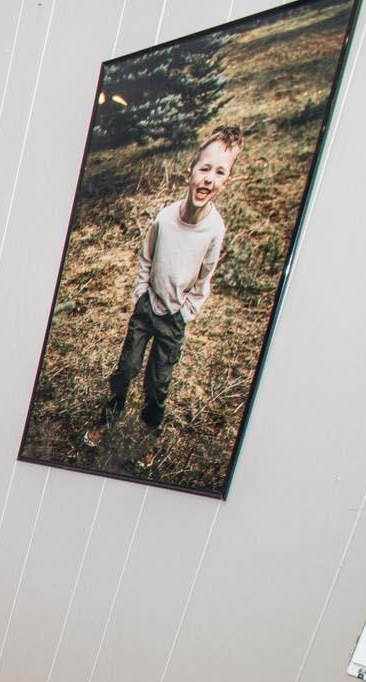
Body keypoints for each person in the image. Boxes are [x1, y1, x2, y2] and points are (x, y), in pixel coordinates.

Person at [84, 127, 240, 455]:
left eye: (220, 172)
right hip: (147, 308)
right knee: (127, 368)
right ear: (190, 173)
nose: (209, 179)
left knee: (158, 383)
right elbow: (147, 257)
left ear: (226, 182)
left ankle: (149, 435)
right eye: (204, 169)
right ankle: (107, 418)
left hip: (174, 318)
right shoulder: (165, 219)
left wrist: (186, 312)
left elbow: (204, 278)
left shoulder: (214, 230)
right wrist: (142, 293)